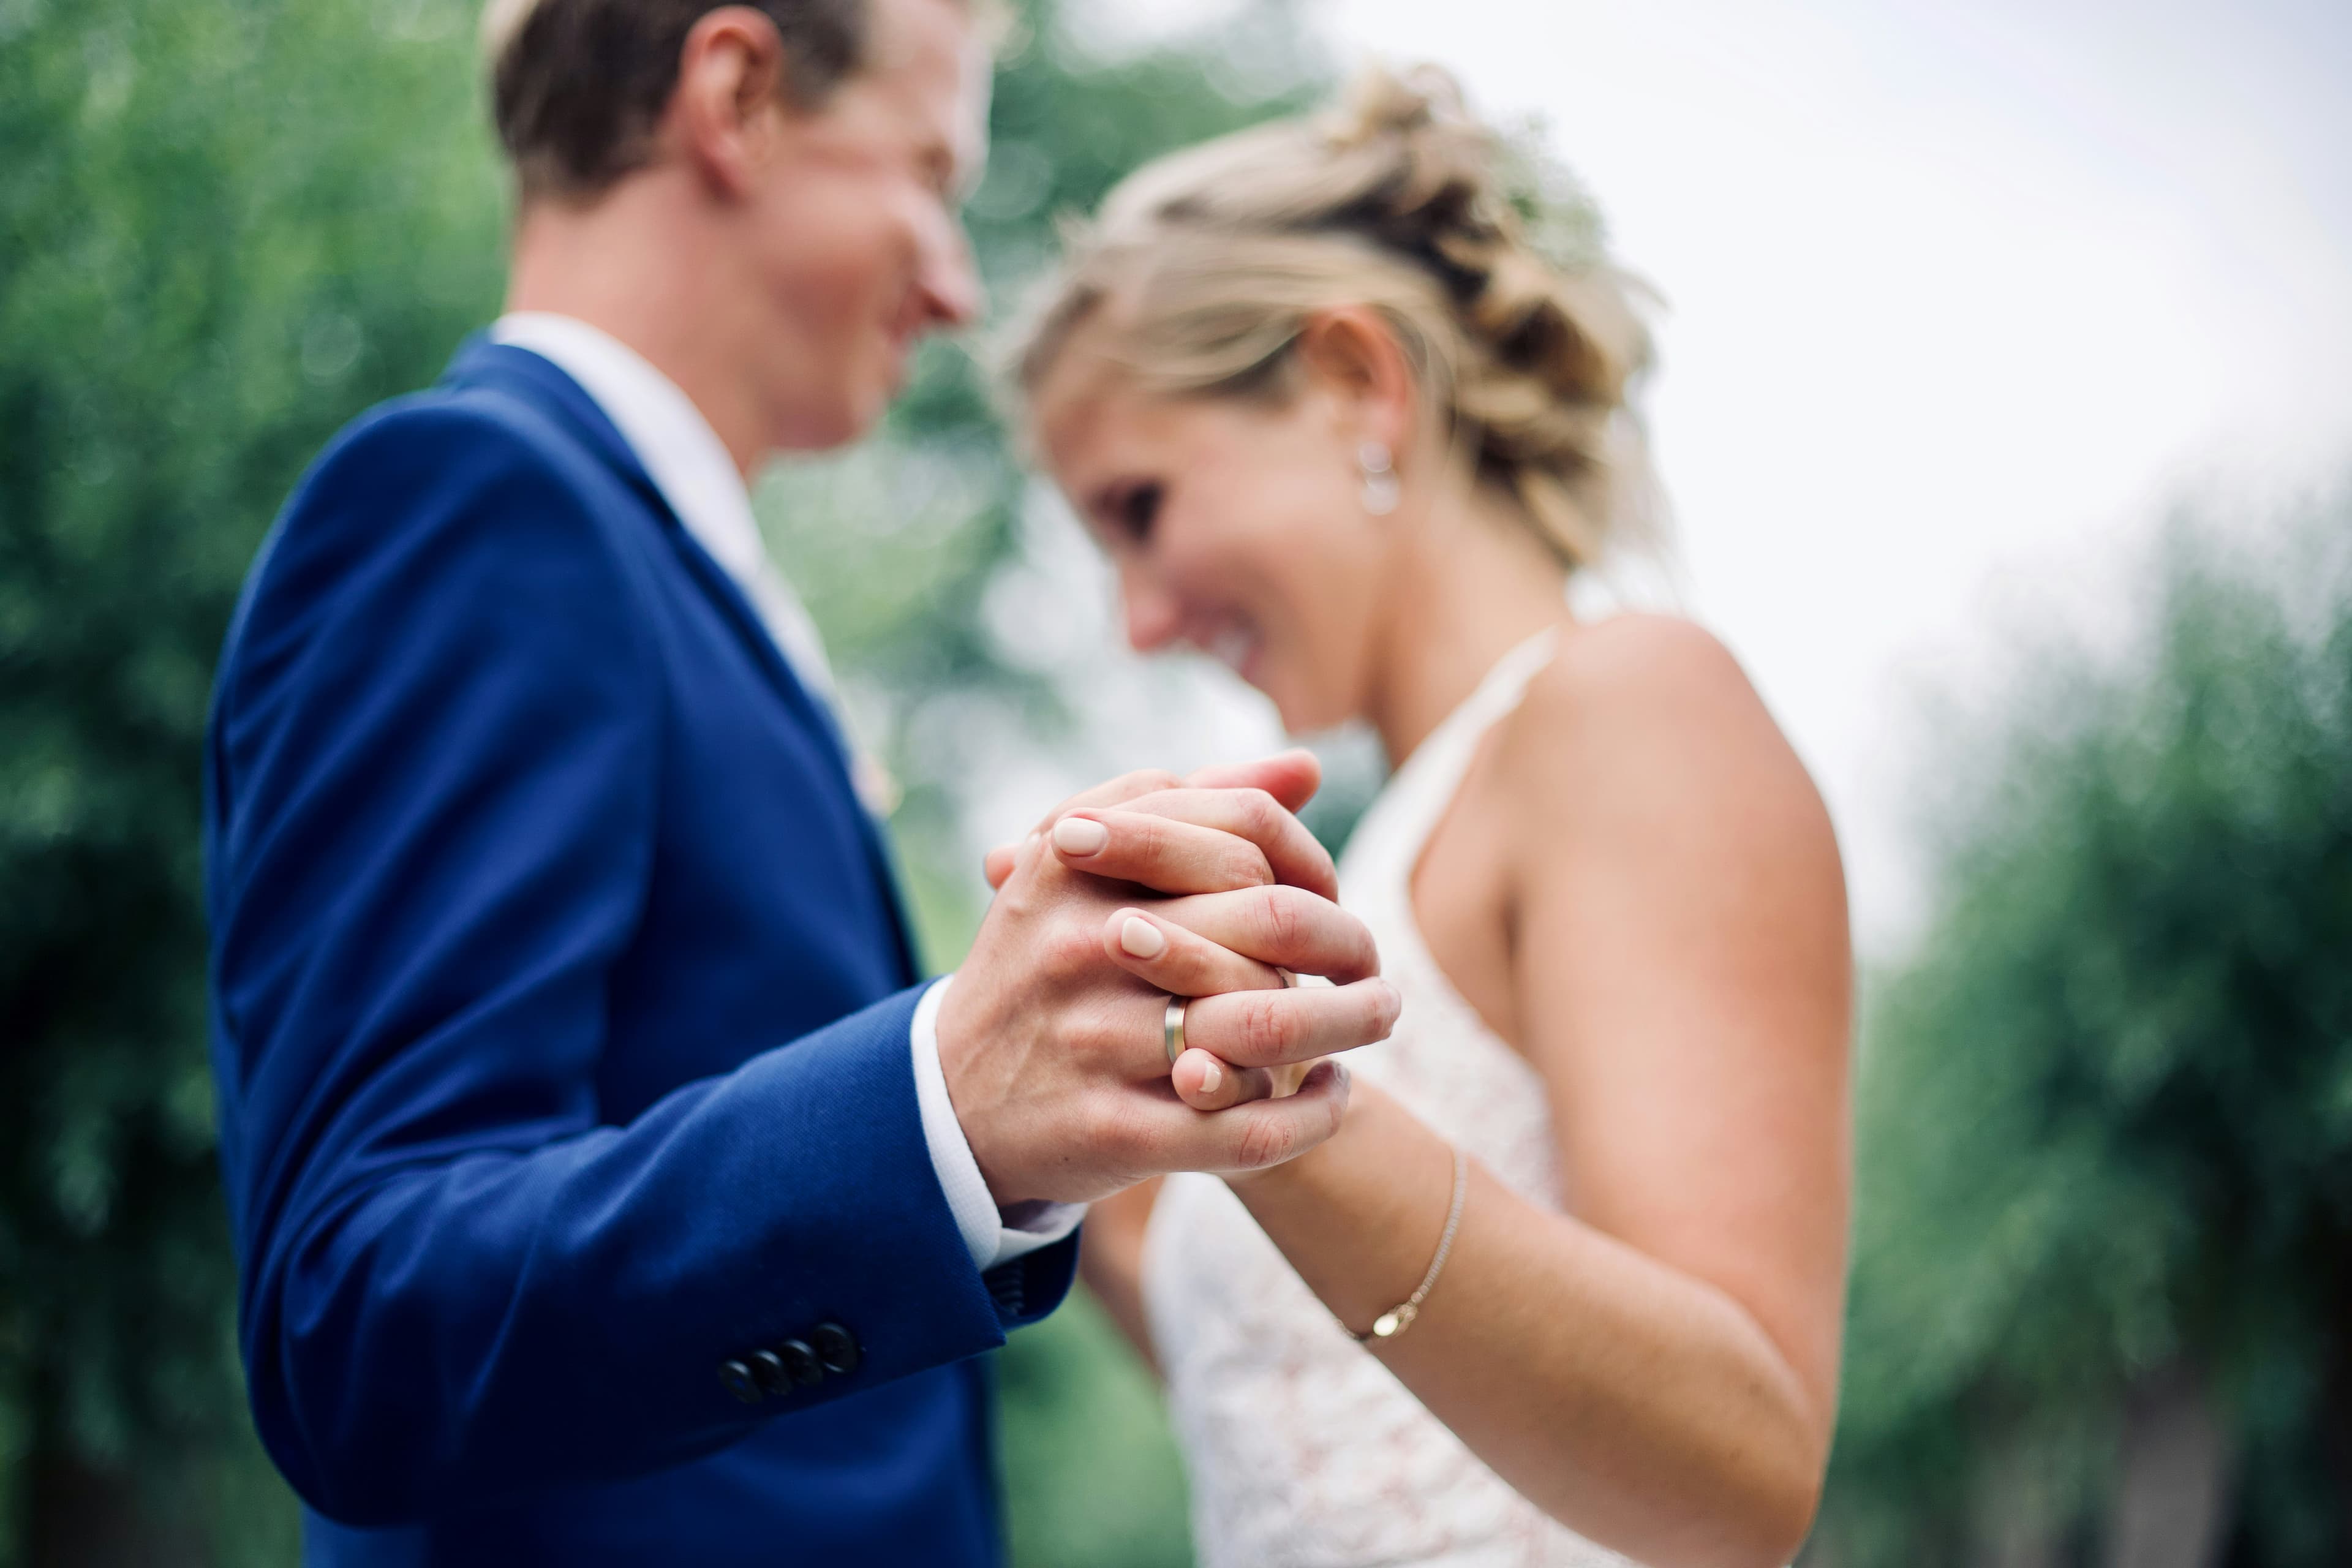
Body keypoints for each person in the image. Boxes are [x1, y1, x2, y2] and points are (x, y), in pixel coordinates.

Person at [200, 2, 1400, 1564]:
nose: (957, 287)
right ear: (739, 95)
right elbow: (354, 1321)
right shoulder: (470, 503)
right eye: (928, 171)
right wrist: (943, 1110)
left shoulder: (671, 577)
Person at [1008, 67, 1854, 1568]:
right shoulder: (1394, 842)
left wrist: (1262, 1098)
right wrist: (1110, 1092)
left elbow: (1745, 1474)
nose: (1137, 622)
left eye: (1141, 507)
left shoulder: (1627, 704)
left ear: (1355, 381)